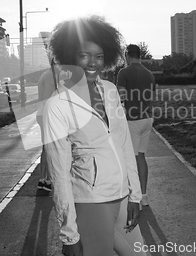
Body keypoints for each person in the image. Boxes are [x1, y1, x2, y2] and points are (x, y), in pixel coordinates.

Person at [42, 15, 147, 256]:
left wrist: (135, 195)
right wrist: (69, 236)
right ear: (69, 57)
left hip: (122, 198)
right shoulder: (57, 106)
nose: (93, 63)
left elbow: (123, 144)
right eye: (84, 55)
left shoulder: (109, 90)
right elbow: (59, 175)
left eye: (99, 56)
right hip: (91, 203)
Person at [117, 44, 155, 208]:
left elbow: (120, 98)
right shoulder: (149, 74)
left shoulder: (124, 72)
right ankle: (143, 195)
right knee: (140, 157)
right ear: (140, 55)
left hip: (133, 119)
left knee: (129, 159)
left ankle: (134, 197)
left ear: (127, 55)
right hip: (147, 118)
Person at [36, 61, 66, 192]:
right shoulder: (54, 77)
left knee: (46, 147)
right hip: (49, 115)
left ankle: (42, 179)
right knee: (51, 148)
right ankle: (48, 180)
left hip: (41, 114)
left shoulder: (44, 75)